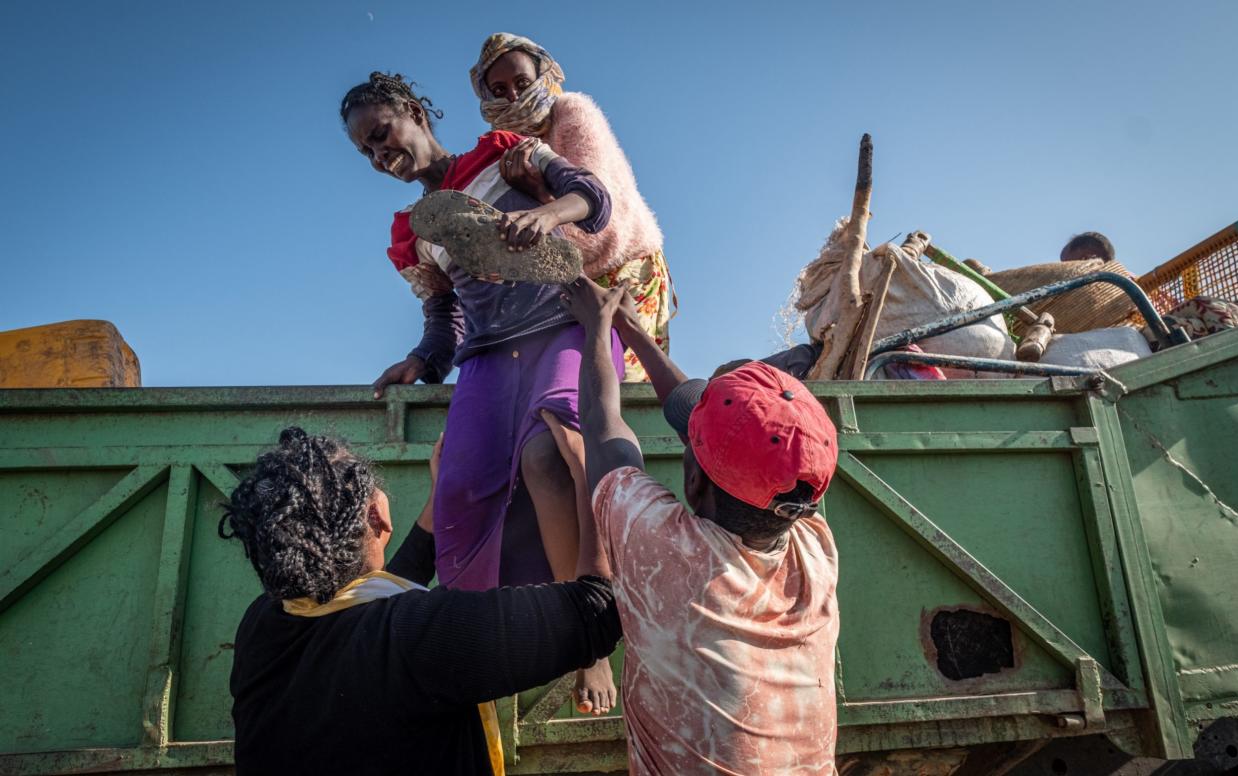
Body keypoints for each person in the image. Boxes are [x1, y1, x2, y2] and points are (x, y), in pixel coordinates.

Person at [340, 71, 620, 712]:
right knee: (460, 493)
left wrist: (548, 213)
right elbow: (447, 319)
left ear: (413, 111)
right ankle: (489, 647)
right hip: (491, 356)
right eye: (367, 153)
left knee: (549, 458)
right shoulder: (410, 230)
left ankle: (590, 644)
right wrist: (420, 361)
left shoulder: (502, 151)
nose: (381, 156)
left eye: (382, 135)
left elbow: (592, 199)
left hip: (564, 325)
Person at [218, 427, 621, 776]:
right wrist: (588, 477)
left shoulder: (263, 624)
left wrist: (437, 502)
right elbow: (597, 611)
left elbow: (371, 606)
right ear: (378, 519)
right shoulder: (420, 640)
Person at [562, 279, 843, 774]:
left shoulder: (666, 551)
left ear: (692, 484)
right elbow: (701, 419)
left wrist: (598, 324)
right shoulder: (815, 547)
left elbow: (603, 425)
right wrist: (631, 327)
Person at [471, 33, 673, 382]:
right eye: (500, 90)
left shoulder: (572, 111)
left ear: (542, 77)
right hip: (570, 283)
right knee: (572, 387)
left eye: (522, 82)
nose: (514, 96)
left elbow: (600, 207)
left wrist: (541, 201)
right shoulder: (501, 150)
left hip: (625, 268)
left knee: (616, 384)